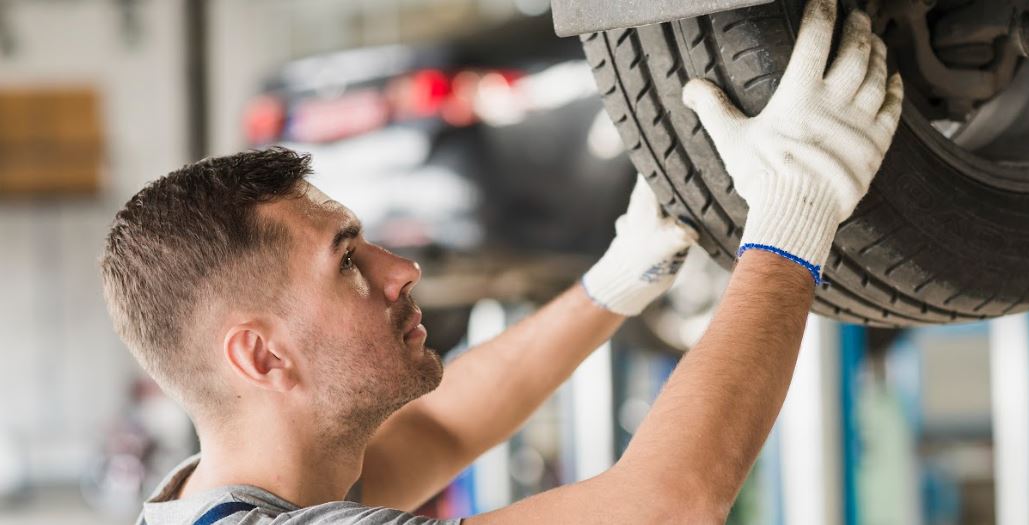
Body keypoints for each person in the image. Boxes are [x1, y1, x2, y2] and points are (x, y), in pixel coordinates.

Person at [100, 0, 901, 522]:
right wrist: (794, 218)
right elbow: (666, 502)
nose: (400, 268)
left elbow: (443, 428)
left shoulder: (237, 498)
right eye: (347, 262)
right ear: (261, 354)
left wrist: (613, 283)